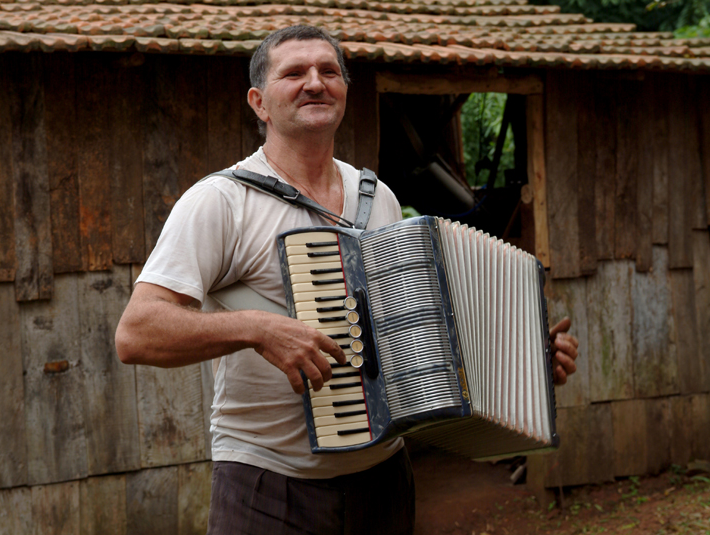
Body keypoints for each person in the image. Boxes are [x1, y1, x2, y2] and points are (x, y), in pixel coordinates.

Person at [115, 25, 578, 535]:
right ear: (259, 102)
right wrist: (257, 328)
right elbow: (137, 333)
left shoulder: (377, 198)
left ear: (344, 92)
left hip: (384, 478)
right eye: (294, 73)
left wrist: (524, 360)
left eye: (328, 71)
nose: (315, 82)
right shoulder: (222, 201)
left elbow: (416, 335)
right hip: (269, 483)